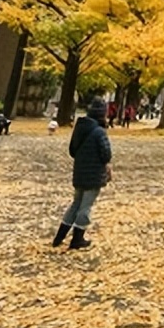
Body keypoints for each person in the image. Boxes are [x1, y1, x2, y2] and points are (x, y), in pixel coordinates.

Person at [52, 98, 112, 250]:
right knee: (85, 207)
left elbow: (72, 151)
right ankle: (77, 239)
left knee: (75, 205)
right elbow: (106, 155)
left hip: (79, 173)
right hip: (94, 175)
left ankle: (59, 238)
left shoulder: (80, 128)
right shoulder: (99, 132)